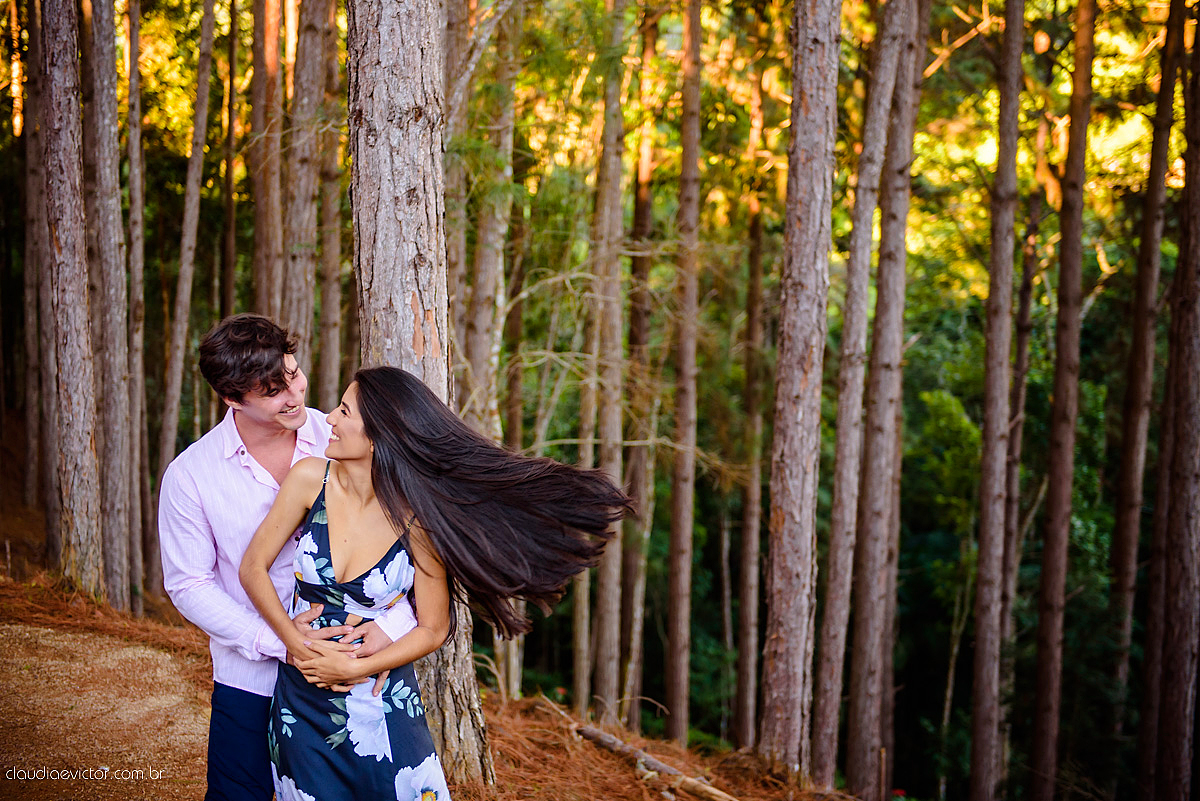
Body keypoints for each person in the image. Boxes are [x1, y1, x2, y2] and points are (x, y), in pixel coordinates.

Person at [239, 366, 631, 801]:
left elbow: (433, 627)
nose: (328, 418)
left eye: (344, 411)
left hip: (384, 701)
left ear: (377, 436)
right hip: (303, 702)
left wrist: (355, 668)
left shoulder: (417, 518)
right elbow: (253, 567)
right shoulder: (310, 479)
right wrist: (292, 638)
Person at [159, 314, 416, 801]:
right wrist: (279, 640)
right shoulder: (190, 475)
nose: (295, 395)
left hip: (351, 673)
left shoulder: (346, 437)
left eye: (293, 374)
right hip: (248, 678)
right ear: (233, 399)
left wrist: (392, 628)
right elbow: (187, 584)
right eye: (273, 390)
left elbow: (407, 550)